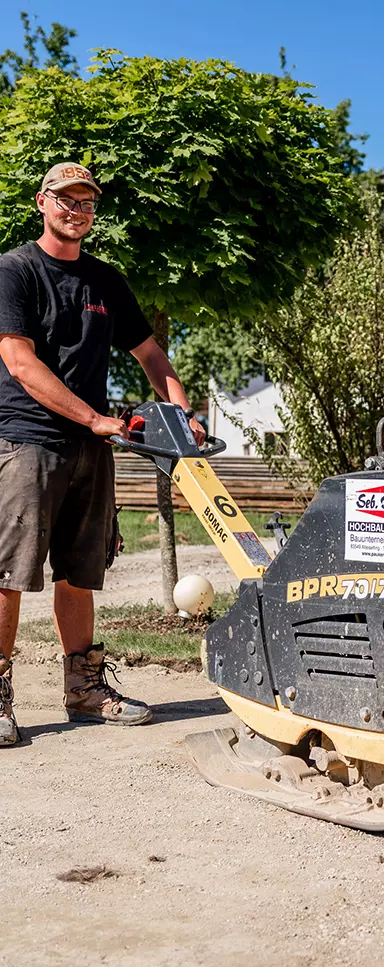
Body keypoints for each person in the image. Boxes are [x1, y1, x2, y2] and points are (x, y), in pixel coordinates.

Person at [0, 161, 206, 746]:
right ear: (43, 202)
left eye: (86, 201)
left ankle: (84, 690)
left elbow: (153, 355)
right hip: (25, 441)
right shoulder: (13, 272)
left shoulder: (105, 281)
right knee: (8, 574)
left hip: (93, 446)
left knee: (82, 570)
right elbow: (20, 362)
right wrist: (94, 418)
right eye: (66, 199)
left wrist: (181, 415)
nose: (77, 210)